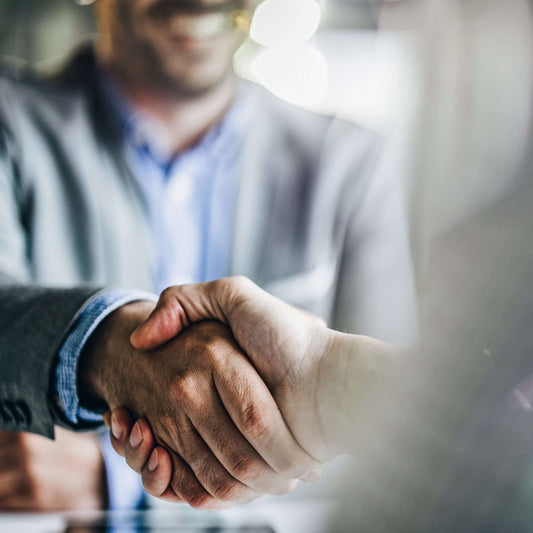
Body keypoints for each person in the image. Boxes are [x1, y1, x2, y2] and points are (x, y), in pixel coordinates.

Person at [0, 0, 416, 512]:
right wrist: (108, 346)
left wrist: (120, 480)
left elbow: (405, 441)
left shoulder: (351, 164)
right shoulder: (8, 122)